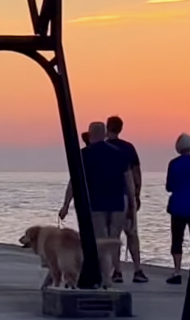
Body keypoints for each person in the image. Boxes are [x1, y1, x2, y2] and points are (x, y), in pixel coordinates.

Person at [55, 122, 136, 283]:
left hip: (95, 203)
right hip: (117, 202)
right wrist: (132, 206)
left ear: (90, 135)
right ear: (105, 134)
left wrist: (66, 204)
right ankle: (117, 271)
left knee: (101, 241)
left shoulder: (83, 155)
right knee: (113, 238)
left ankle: (105, 275)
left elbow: (74, 182)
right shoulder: (119, 154)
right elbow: (129, 182)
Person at [104, 115, 147, 282]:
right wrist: (137, 195)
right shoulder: (128, 148)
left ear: (108, 128)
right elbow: (136, 173)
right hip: (126, 196)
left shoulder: (103, 147)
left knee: (113, 236)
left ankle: (117, 271)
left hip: (108, 196)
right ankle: (137, 270)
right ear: (121, 128)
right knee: (132, 233)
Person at [163, 133, 190, 284]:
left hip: (178, 206)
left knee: (177, 239)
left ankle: (177, 271)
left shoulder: (174, 164)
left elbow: (169, 186)